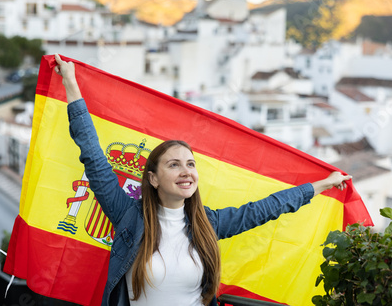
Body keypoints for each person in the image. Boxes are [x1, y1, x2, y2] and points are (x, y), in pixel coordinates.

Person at [54, 54, 352, 306]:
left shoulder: (206, 224)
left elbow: (265, 209)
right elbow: (93, 156)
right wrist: (71, 84)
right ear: (153, 179)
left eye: (190, 164)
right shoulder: (128, 216)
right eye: (174, 165)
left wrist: (321, 185)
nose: (186, 171)